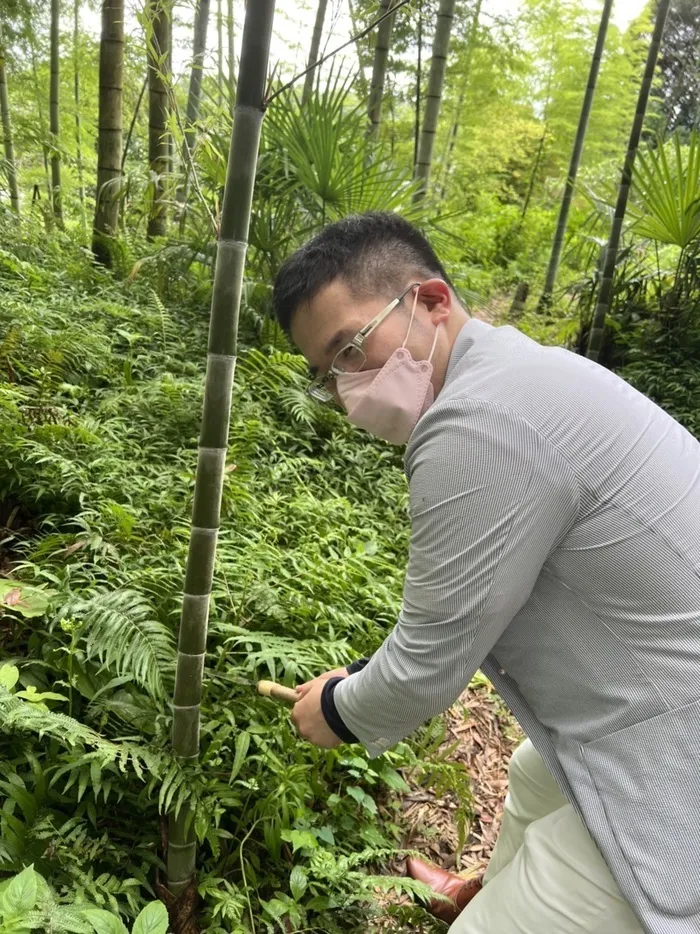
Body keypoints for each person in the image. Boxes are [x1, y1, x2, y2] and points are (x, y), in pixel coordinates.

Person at [271, 211, 700, 934]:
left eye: (350, 349)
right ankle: (491, 888)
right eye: (325, 374)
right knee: (535, 774)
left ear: (432, 302)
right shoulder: (522, 371)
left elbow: (429, 664)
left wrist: (339, 708)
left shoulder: (479, 421)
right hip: (664, 689)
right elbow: (468, 615)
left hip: (676, 762)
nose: (345, 391)